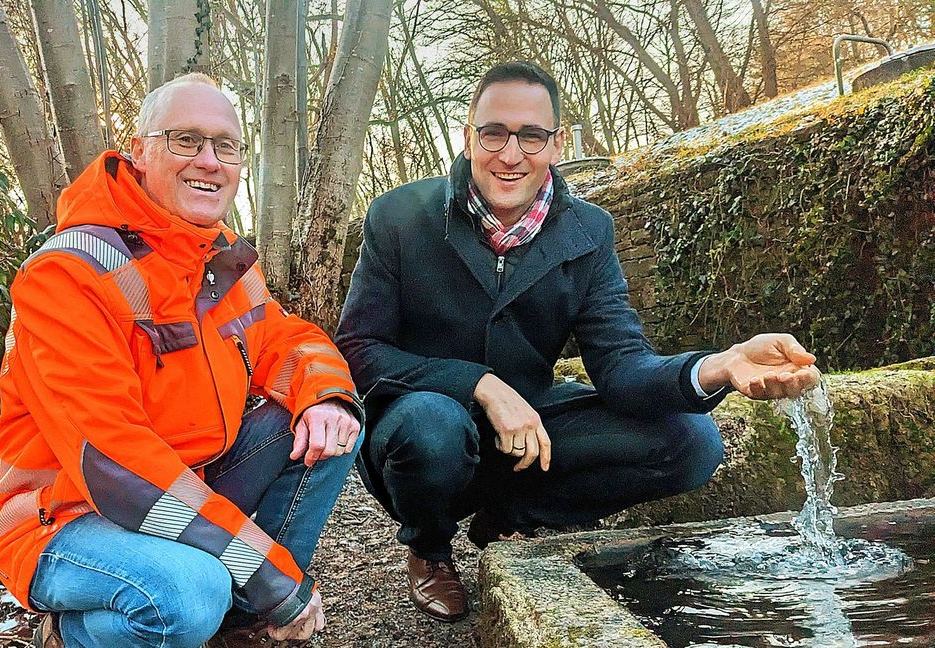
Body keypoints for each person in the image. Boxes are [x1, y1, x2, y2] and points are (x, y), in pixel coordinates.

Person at [334, 61, 820, 622]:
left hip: (533, 429)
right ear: (467, 138)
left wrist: (718, 365)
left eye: (531, 136)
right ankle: (429, 548)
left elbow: (621, 366)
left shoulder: (589, 231)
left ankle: (516, 515)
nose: (510, 154)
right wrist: (480, 385)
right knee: (431, 428)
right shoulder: (398, 216)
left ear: (557, 144)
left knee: (692, 441)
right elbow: (360, 347)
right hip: (422, 426)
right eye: (493, 133)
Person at [0, 73, 363, 648]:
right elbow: (115, 466)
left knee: (331, 426)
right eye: (186, 140)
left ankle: (240, 626)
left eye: (226, 145)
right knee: (189, 592)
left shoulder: (219, 257)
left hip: (182, 490)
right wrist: (269, 574)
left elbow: (286, 341)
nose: (210, 160)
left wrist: (326, 395)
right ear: (139, 152)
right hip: (64, 517)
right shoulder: (67, 275)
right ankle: (73, 635)